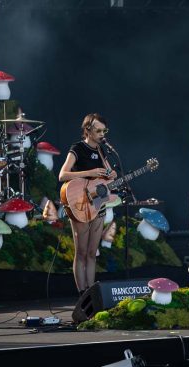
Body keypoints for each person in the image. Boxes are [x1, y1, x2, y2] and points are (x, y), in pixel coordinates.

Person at [59, 113, 117, 295]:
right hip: (80, 204)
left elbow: (108, 175)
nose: (101, 134)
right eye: (98, 130)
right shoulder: (77, 148)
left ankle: (91, 294)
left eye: (104, 130)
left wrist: (112, 176)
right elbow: (62, 175)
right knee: (82, 252)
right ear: (88, 130)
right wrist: (88, 172)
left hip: (97, 204)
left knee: (92, 253)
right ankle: (81, 294)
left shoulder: (102, 151)